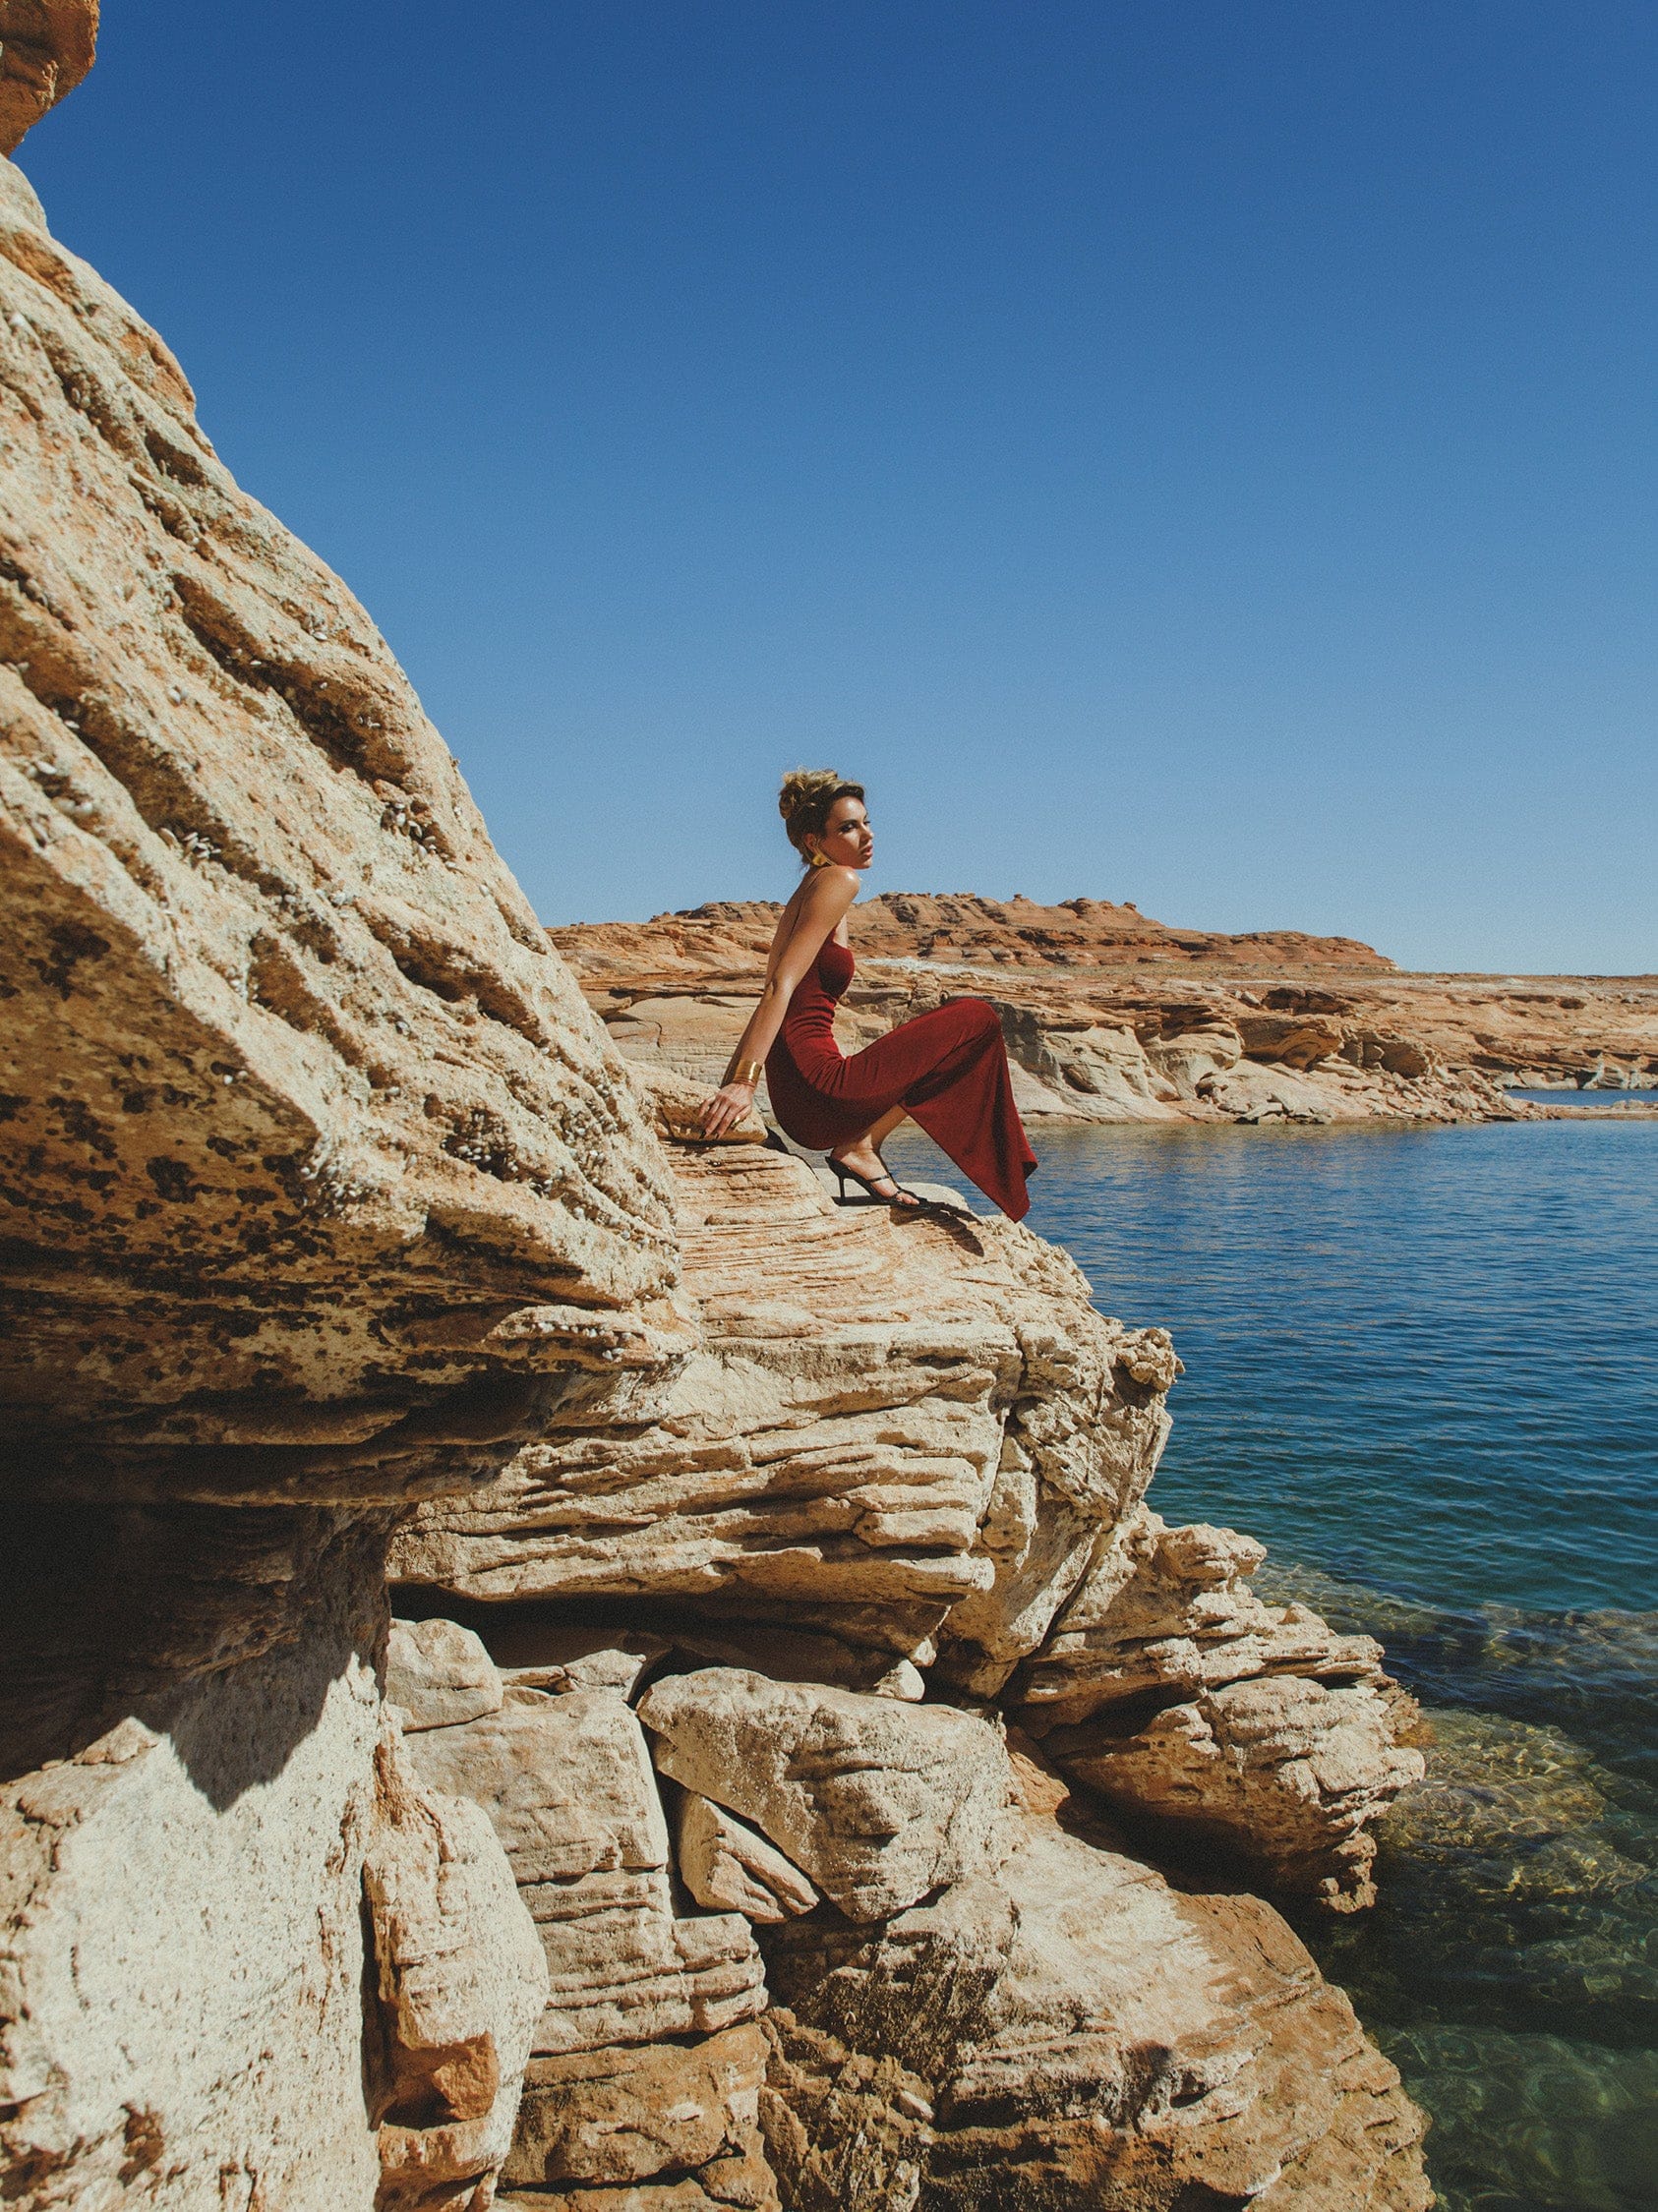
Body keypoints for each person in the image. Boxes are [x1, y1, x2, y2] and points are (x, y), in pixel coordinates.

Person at [700, 769, 1037, 1219]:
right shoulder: (839, 880)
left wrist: (735, 1082)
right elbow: (780, 985)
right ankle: (861, 1145)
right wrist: (741, 1084)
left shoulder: (812, 890)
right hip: (820, 1087)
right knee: (975, 1018)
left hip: (804, 1097)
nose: (867, 835)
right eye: (848, 827)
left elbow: (774, 988)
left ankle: (861, 1144)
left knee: (956, 1038)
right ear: (813, 841)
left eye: (865, 822)